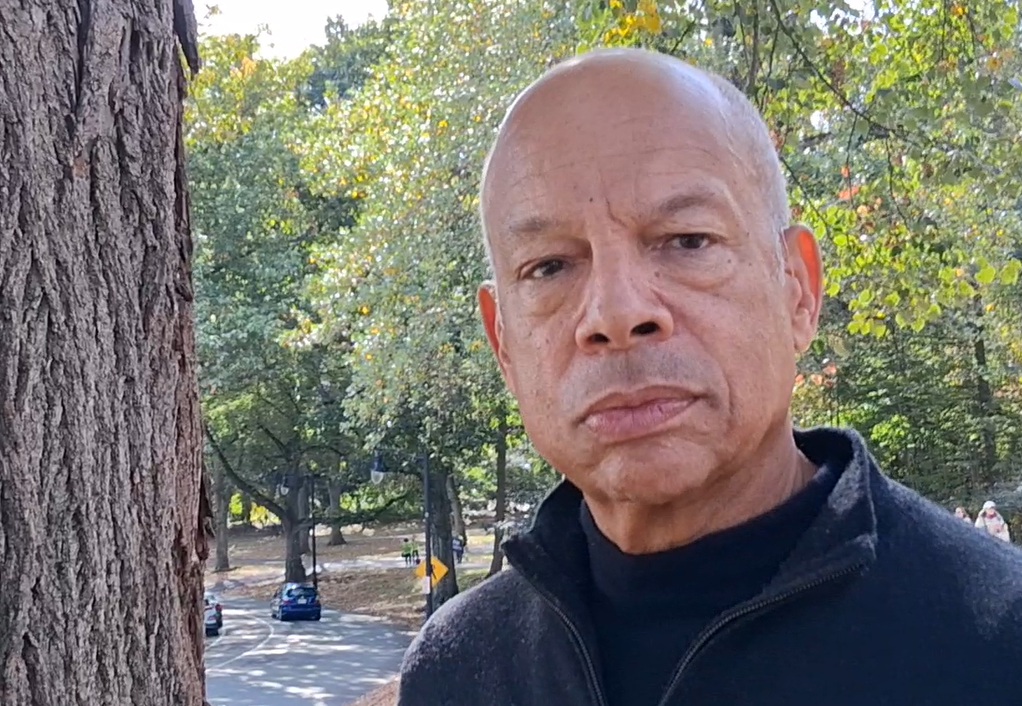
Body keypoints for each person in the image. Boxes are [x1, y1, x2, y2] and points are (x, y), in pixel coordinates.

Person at [396, 48, 1022, 706]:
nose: (616, 314)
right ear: (502, 343)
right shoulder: (457, 669)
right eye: (549, 267)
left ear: (798, 290)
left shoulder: (996, 643)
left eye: (687, 240)